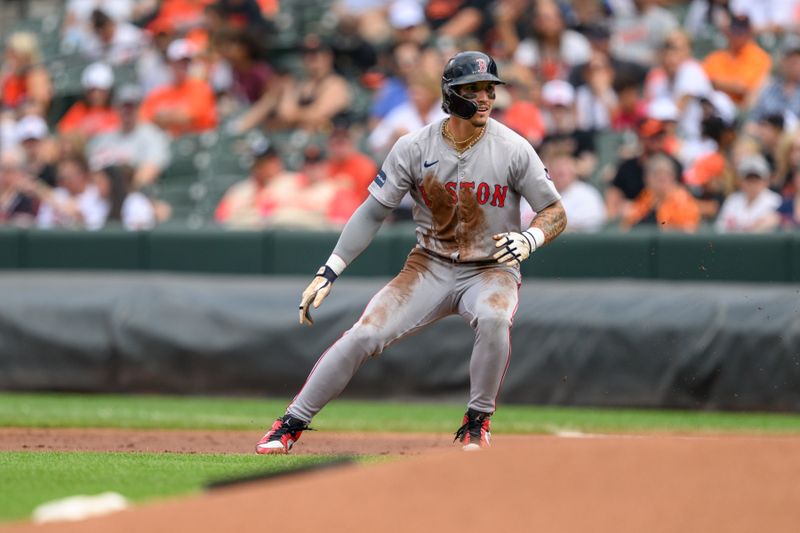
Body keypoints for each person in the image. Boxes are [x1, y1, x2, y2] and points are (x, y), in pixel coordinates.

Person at [255, 51, 566, 454]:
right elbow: (372, 211)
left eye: (490, 88)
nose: (486, 97)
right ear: (452, 95)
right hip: (430, 265)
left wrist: (531, 238)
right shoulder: (413, 147)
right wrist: (330, 269)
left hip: (491, 268)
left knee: (493, 318)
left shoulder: (513, 147)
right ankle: (290, 423)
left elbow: (555, 210)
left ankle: (477, 421)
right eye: (475, 89)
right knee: (363, 334)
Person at [87, 84, 171, 188]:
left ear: (139, 107)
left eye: (131, 106)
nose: (127, 111)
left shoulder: (152, 136)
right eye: (123, 106)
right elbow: (92, 171)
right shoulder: (103, 137)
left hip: (134, 196)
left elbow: (149, 171)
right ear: (116, 108)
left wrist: (122, 193)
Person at [139, 39, 218, 136]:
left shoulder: (202, 88)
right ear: (169, 63)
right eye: (179, 62)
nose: (183, 65)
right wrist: (176, 115)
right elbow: (142, 121)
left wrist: (162, 116)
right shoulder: (158, 93)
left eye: (187, 61)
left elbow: (190, 116)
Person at [702, 15, 771, 109]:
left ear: (749, 32)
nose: (738, 35)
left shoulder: (759, 56)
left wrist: (717, 83)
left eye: (742, 31)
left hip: (741, 108)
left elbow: (743, 86)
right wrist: (722, 84)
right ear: (728, 32)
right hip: (712, 107)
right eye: (735, 30)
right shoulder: (716, 56)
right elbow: (704, 81)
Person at [621, 153, 700, 232]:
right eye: (656, 174)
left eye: (666, 174)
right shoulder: (646, 197)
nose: (661, 178)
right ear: (646, 179)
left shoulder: (683, 201)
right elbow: (627, 226)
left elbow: (688, 232)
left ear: (673, 177)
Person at [715, 154, 781, 233]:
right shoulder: (733, 200)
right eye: (748, 179)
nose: (752, 184)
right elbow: (720, 228)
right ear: (741, 181)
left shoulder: (774, 200)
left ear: (766, 181)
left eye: (756, 179)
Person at [57, 62, 121, 140]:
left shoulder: (118, 110)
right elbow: (64, 133)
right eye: (92, 91)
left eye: (101, 91)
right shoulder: (79, 109)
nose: (96, 95)